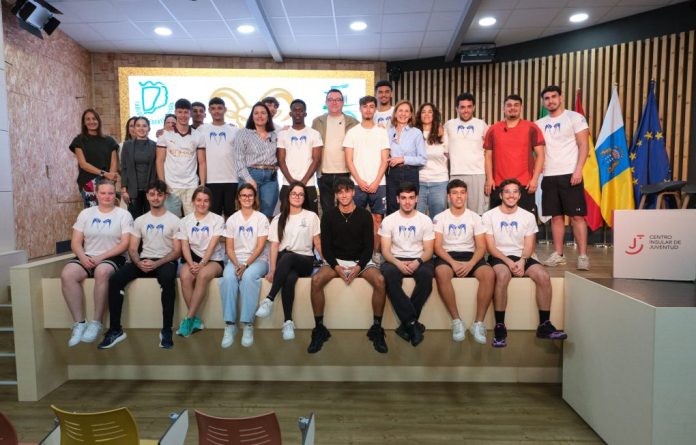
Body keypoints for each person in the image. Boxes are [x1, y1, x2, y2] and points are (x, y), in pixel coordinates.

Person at [482, 178, 567, 348]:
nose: (511, 195)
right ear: (501, 195)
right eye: (507, 192)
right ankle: (500, 326)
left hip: (522, 256)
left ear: (520, 196)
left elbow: (529, 244)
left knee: (543, 276)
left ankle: (544, 325)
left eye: (515, 192)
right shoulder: (489, 216)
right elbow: (490, 247)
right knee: (502, 275)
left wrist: (522, 261)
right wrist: (508, 262)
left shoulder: (527, 216)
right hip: (499, 256)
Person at [308, 177, 388, 354]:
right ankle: (319, 328)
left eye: (347, 191)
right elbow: (326, 248)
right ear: (336, 195)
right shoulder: (328, 216)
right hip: (336, 260)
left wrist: (358, 267)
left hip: (360, 261)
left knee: (380, 281)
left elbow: (368, 247)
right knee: (316, 281)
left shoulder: (364, 215)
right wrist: (336, 267)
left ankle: (376, 328)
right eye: (340, 192)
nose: (343, 195)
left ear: (353, 192)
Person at [98, 180, 181, 349]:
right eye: (152, 194)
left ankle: (166, 331)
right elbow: (132, 248)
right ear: (147, 196)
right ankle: (115, 330)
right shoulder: (140, 220)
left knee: (168, 280)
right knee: (115, 280)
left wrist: (157, 263)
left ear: (165, 196)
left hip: (165, 261)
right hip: (143, 260)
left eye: (159, 194)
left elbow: (177, 251)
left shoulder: (175, 220)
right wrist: (138, 262)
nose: (156, 198)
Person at [60, 179, 133, 347]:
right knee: (67, 274)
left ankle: (96, 323)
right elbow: (76, 242)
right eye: (103, 193)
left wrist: (101, 258)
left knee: (102, 272)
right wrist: (83, 257)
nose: (107, 196)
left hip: (113, 256)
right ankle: (79, 323)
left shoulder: (123, 214)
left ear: (115, 195)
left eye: (110, 193)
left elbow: (124, 244)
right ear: (96, 194)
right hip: (88, 255)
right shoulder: (86, 214)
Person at [255, 181, 322, 341]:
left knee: (289, 256)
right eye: (294, 193)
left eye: (301, 194)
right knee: (290, 278)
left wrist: (328, 262)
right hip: (284, 261)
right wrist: (272, 270)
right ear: (288, 196)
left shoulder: (311, 216)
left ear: (304, 198)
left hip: (304, 259)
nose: (297, 196)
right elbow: (274, 246)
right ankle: (288, 322)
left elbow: (318, 242)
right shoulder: (278, 219)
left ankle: (269, 299)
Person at [536, 85, 591, 270]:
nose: (550, 100)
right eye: (547, 98)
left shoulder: (575, 117)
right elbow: (537, 150)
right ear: (543, 102)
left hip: (571, 174)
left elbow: (583, 145)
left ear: (561, 97)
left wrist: (578, 170)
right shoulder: (539, 123)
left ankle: (582, 256)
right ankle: (559, 254)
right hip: (549, 175)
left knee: (577, 217)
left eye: (554, 96)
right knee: (556, 217)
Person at [433, 179, 495, 343]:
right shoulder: (440, 217)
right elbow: (437, 247)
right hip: (447, 255)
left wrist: (470, 264)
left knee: (489, 274)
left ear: (466, 195)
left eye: (462, 193)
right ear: (448, 196)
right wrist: (453, 263)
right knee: (441, 272)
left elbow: (481, 247)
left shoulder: (475, 217)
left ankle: (478, 323)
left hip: (470, 255)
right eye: (454, 193)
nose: (459, 196)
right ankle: (457, 321)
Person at [378, 182, 434, 347]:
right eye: (403, 198)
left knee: (426, 276)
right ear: (397, 199)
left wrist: (418, 262)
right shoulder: (389, 220)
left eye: (411, 198)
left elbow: (429, 250)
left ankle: (406, 326)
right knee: (389, 276)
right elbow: (385, 250)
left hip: (419, 258)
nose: (407, 202)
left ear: (417, 199)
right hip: (394, 258)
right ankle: (412, 324)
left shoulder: (425, 220)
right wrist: (398, 263)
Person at [219, 184, 270, 348]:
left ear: (254, 198)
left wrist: (246, 265)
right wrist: (237, 264)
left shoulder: (261, 218)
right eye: (243, 195)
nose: (247, 198)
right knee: (228, 277)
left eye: (250, 195)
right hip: (235, 260)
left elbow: (260, 247)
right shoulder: (232, 219)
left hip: (258, 260)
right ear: (238, 198)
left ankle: (248, 324)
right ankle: (230, 325)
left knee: (248, 277)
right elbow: (229, 248)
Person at [344, 95, 390, 264]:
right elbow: (349, 161)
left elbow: (385, 160)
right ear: (360, 109)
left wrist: (376, 181)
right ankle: (356, 253)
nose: (368, 110)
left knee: (378, 219)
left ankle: (375, 253)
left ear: (375, 109)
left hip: (379, 184)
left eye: (371, 106)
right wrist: (360, 181)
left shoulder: (382, 132)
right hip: (357, 184)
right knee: (354, 219)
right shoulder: (352, 132)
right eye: (365, 107)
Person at [175, 186, 225, 337]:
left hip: (213, 259)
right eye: (199, 200)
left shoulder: (217, 219)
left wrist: (202, 263)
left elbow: (213, 245)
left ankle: (188, 319)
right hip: (192, 259)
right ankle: (195, 320)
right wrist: (191, 264)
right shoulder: (185, 221)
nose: (202, 204)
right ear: (193, 201)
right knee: (184, 275)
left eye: (206, 201)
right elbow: (184, 245)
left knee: (202, 275)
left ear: (210, 203)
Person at [484, 94, 544, 214]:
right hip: (498, 184)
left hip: (525, 184)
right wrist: (489, 179)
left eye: (516, 105)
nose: (513, 108)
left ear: (521, 108)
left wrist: (535, 179)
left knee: (525, 220)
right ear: (504, 108)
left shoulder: (532, 127)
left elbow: (540, 155)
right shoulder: (493, 129)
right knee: (498, 220)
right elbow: (488, 156)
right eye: (509, 105)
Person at [156, 98, 207, 217]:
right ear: (175, 112)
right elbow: (159, 160)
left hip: (191, 185)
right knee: (172, 221)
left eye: (186, 112)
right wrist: (162, 184)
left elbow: (202, 162)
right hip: (171, 186)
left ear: (190, 113)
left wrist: (202, 184)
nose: (183, 115)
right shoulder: (165, 135)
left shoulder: (198, 136)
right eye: (180, 112)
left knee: (193, 220)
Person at [311, 89, 359, 214]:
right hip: (324, 173)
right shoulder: (317, 121)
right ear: (326, 102)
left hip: (345, 172)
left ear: (343, 102)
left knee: (345, 209)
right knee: (327, 211)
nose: (334, 102)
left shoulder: (353, 122)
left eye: (338, 99)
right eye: (331, 99)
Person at [445, 93, 490, 215]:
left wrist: (489, 178)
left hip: (478, 174)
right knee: (456, 212)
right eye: (462, 107)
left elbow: (489, 152)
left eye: (469, 107)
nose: (466, 110)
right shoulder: (449, 125)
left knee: (478, 213)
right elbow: (443, 149)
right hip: (456, 173)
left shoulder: (481, 124)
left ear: (474, 107)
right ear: (457, 108)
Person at [234, 102, 278, 219]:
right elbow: (238, 160)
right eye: (256, 113)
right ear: (252, 116)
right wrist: (248, 179)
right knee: (248, 211)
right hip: (250, 174)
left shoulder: (274, 135)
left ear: (268, 116)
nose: (260, 116)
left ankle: (263, 232)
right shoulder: (242, 133)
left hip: (271, 177)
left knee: (267, 212)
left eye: (263, 113)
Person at [277, 99, 322, 214]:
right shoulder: (282, 134)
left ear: (305, 113)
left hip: (309, 184)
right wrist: (292, 182)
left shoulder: (314, 134)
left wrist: (304, 181)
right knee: (286, 218)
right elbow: (281, 160)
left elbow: (316, 159)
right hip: (288, 184)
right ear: (290, 113)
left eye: (301, 110)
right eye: (295, 110)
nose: (298, 113)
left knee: (312, 218)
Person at [69, 109, 120, 208]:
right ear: (84, 122)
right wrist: (104, 173)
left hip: (107, 182)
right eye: (88, 119)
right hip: (88, 183)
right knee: (92, 214)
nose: (91, 121)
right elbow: (83, 164)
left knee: (108, 212)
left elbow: (113, 163)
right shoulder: (79, 141)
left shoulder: (110, 141)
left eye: (94, 118)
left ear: (98, 121)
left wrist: (109, 181)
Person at [198, 97, 239, 219]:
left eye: (219, 108)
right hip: (211, 180)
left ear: (225, 110)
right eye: (213, 108)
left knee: (231, 215)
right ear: (209, 111)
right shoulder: (202, 129)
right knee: (213, 216)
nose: (216, 111)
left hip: (232, 179)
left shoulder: (234, 129)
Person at [386, 100, 426, 215]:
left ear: (410, 114)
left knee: (409, 208)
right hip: (392, 173)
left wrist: (403, 159)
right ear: (395, 113)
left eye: (406, 111)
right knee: (392, 209)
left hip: (410, 173)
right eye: (400, 110)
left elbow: (422, 159)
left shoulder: (416, 133)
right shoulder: (388, 132)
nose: (403, 114)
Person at [415, 103, 449, 218]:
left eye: (430, 112)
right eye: (423, 112)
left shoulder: (442, 132)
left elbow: (448, 154)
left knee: (437, 219)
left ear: (434, 115)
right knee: (417, 218)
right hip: (419, 182)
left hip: (439, 181)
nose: (426, 114)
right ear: (419, 115)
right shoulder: (414, 133)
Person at [120, 116, 157, 219]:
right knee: (135, 220)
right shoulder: (127, 145)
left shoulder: (155, 145)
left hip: (151, 189)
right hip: (133, 191)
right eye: (138, 126)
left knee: (150, 220)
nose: (141, 128)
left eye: (144, 126)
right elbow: (124, 168)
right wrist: (124, 190)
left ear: (149, 129)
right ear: (134, 128)